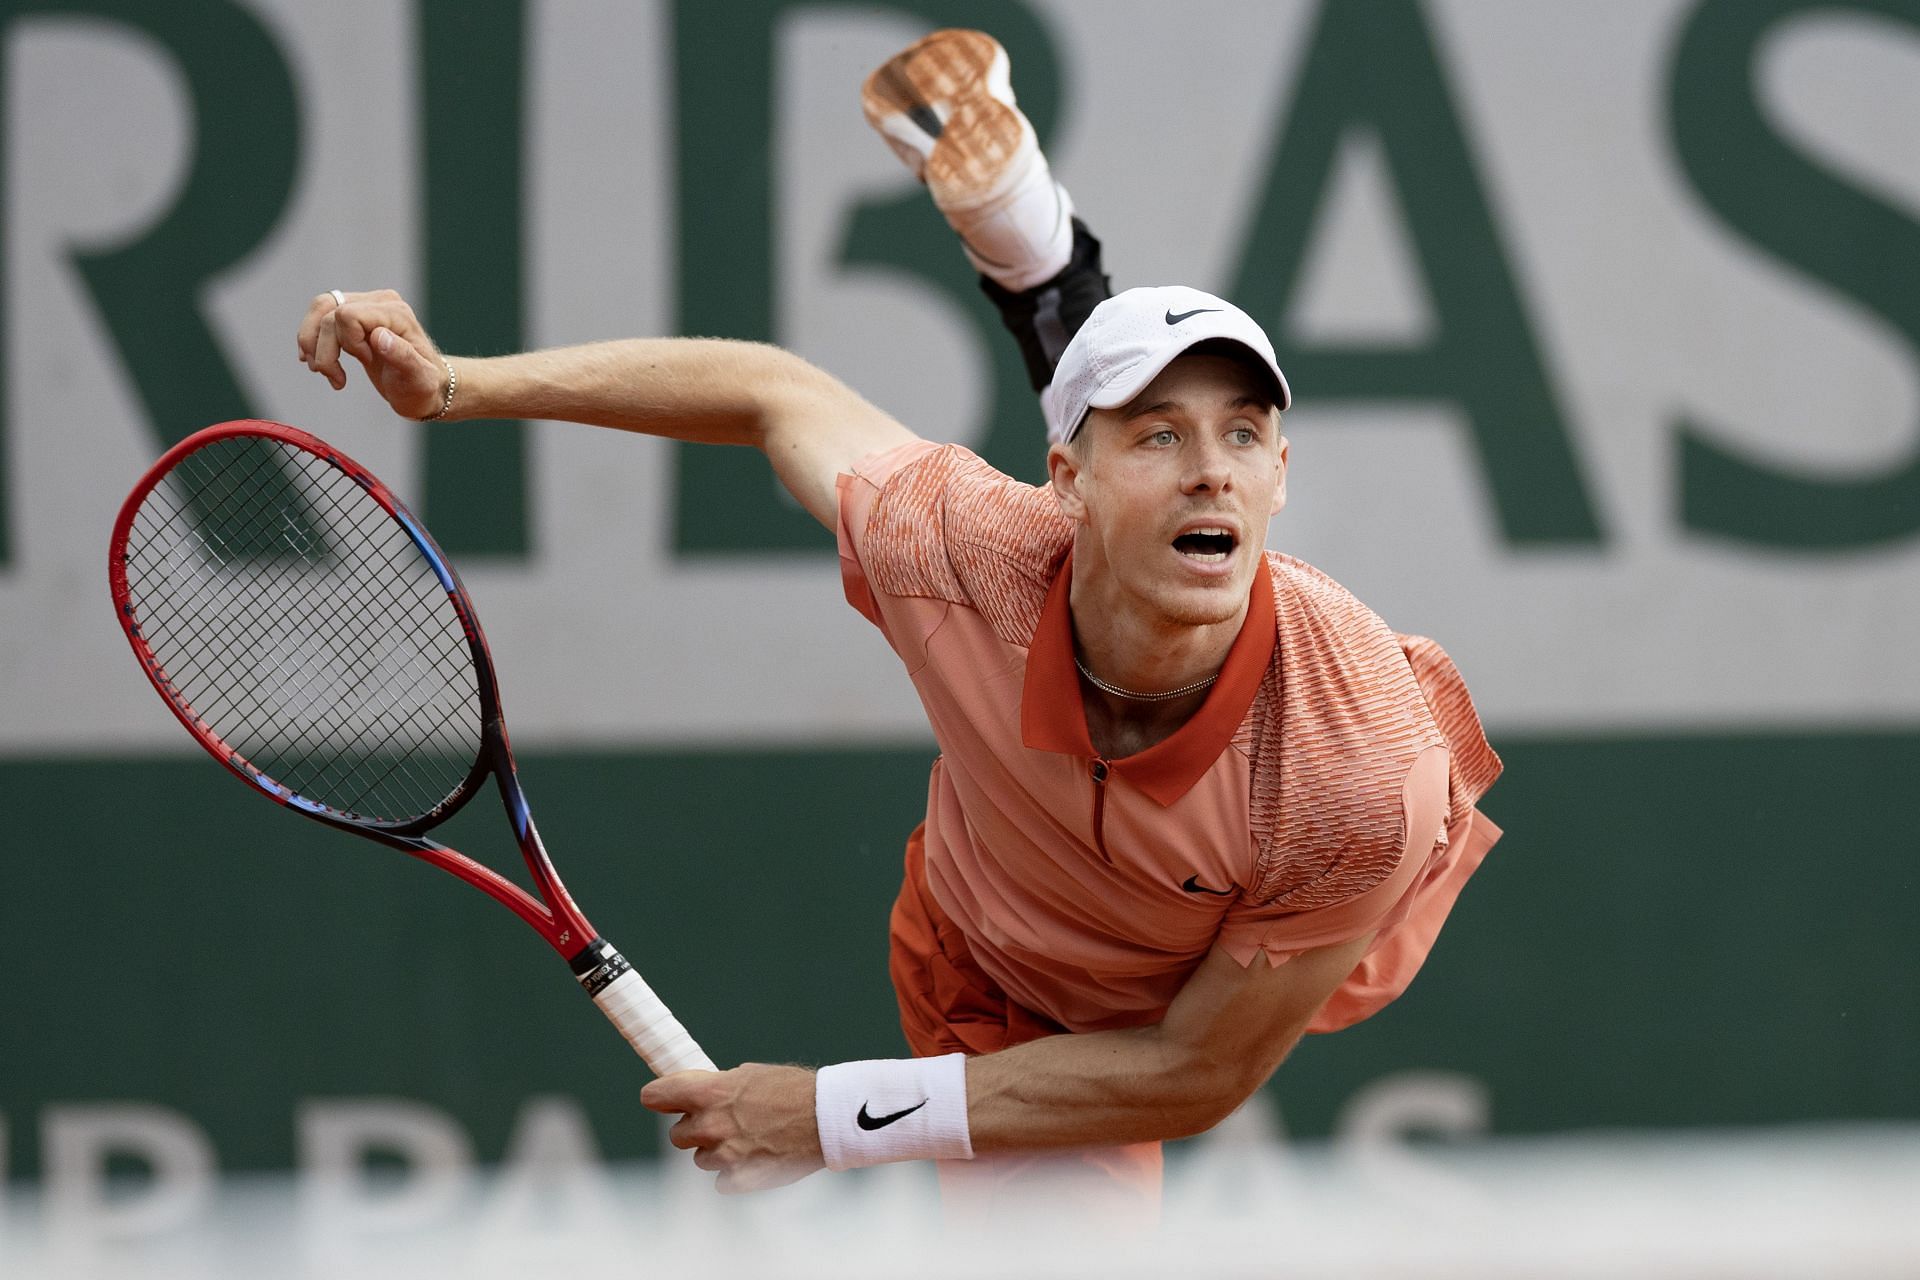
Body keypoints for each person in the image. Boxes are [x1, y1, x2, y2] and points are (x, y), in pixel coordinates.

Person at [293, 30, 1501, 1223]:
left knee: (1126, 543)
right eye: (1161, 434)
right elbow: (773, 394)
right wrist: (455, 384)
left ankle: (1042, 267)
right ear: (1059, 479)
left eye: (1247, 436)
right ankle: (1046, 279)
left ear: (1283, 475)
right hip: (999, 963)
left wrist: (825, 1116)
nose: (1215, 475)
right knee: (1076, 554)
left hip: (1224, 965)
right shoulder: (966, 552)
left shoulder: (1356, 768)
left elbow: (1198, 1069)